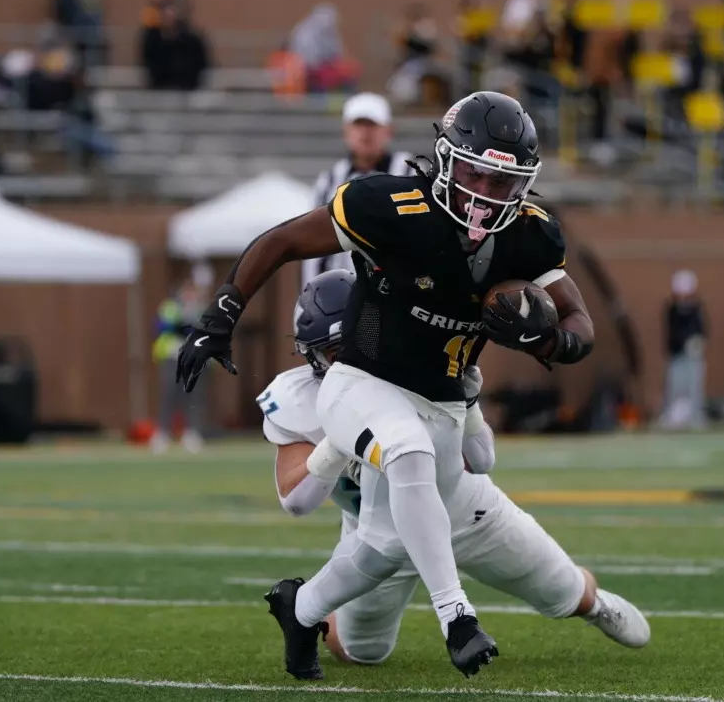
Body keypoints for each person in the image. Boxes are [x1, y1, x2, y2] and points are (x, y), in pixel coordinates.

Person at [176, 91, 596, 679]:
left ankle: (301, 610)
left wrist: (549, 342)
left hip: (446, 394)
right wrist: (221, 314)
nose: (487, 193)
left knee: (397, 536)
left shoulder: (531, 235)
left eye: (504, 182)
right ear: (448, 159)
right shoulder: (390, 206)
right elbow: (282, 242)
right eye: (478, 172)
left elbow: (580, 323)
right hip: (361, 379)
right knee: (406, 450)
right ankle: (459, 618)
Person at [261, 270, 647, 667]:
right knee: (360, 652)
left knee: (567, 594)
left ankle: (595, 603)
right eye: (336, 352)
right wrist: (344, 431)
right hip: (375, 536)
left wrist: (467, 401)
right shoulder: (297, 401)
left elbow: (481, 461)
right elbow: (296, 500)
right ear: (311, 354)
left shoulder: (421, 372)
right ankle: (316, 612)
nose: (352, 357)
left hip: (464, 512)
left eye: (360, 341)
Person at [298, 92, 415, 285]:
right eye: (359, 125)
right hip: (342, 291)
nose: (365, 132)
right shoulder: (329, 180)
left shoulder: (408, 174)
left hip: (399, 290)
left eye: (372, 125)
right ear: (346, 131)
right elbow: (314, 244)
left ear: (388, 131)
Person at [150, 264, 210, 454]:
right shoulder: (171, 307)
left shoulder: (202, 309)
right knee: (169, 394)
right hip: (172, 356)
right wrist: (183, 326)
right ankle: (163, 433)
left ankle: (191, 433)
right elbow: (162, 327)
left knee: (193, 396)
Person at [659, 270, 707, 430]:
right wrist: (683, 342)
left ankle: (694, 415)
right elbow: (673, 333)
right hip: (677, 354)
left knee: (694, 385)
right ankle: (672, 415)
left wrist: (697, 342)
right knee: (675, 385)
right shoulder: (672, 309)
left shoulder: (696, 308)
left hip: (694, 356)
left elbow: (702, 330)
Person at [140, 4, 210, 92]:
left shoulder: (191, 41)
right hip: (161, 87)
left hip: (186, 88)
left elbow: (201, 62)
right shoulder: (154, 41)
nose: (170, 21)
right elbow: (148, 61)